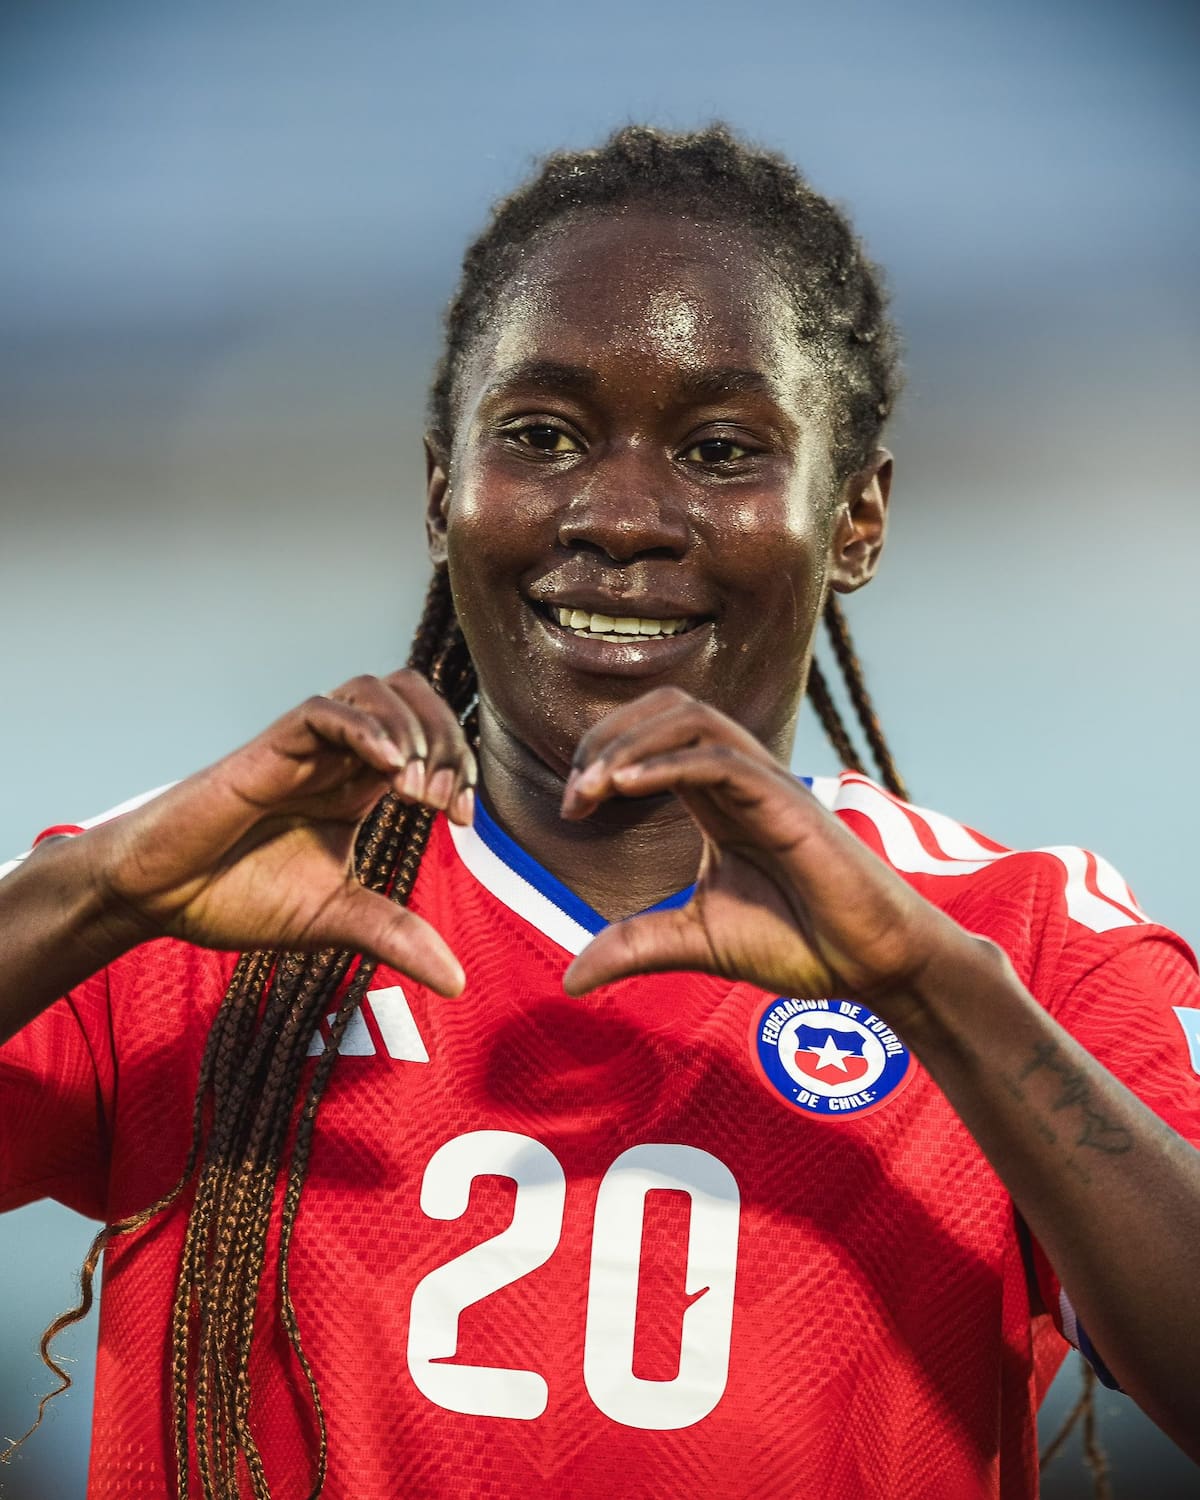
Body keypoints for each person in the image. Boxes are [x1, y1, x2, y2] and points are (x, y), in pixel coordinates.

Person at [1, 124, 1198, 1500]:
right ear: (442, 486)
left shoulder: (1019, 944)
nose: (622, 513)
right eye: (543, 435)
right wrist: (90, 898)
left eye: (721, 447)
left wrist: (932, 993)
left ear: (857, 515)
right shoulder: (203, 886)